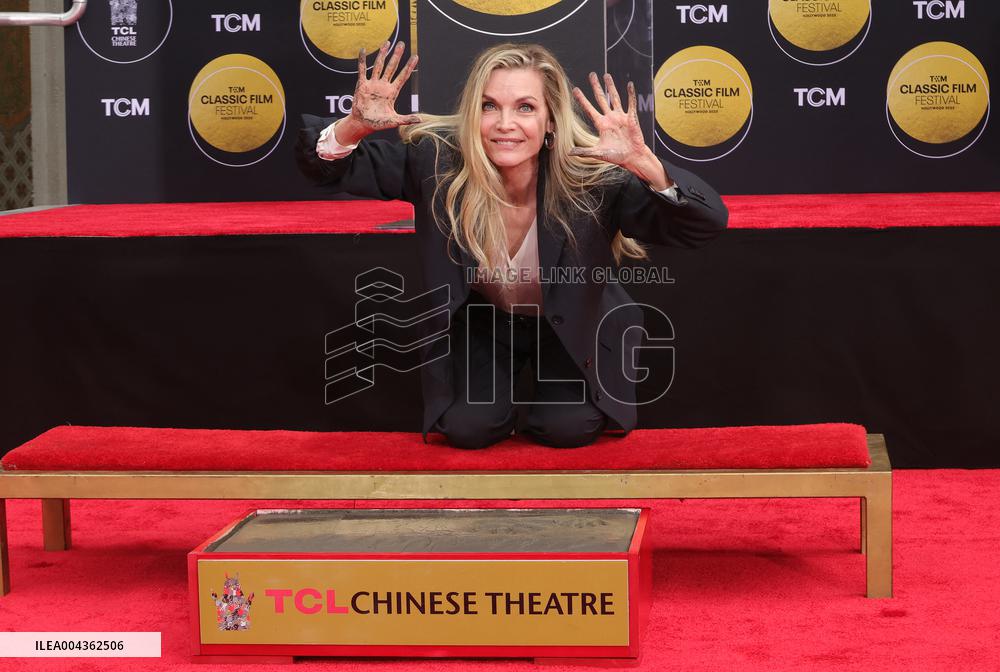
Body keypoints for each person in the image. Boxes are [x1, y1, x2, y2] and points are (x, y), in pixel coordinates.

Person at [297, 41, 727, 449]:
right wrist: (354, 125)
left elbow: (701, 226)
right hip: (486, 320)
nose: (505, 124)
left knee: (567, 429)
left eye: (525, 107)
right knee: (469, 428)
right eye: (490, 106)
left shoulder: (593, 179)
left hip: (574, 324)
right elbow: (325, 167)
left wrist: (646, 165)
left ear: (551, 120)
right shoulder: (437, 161)